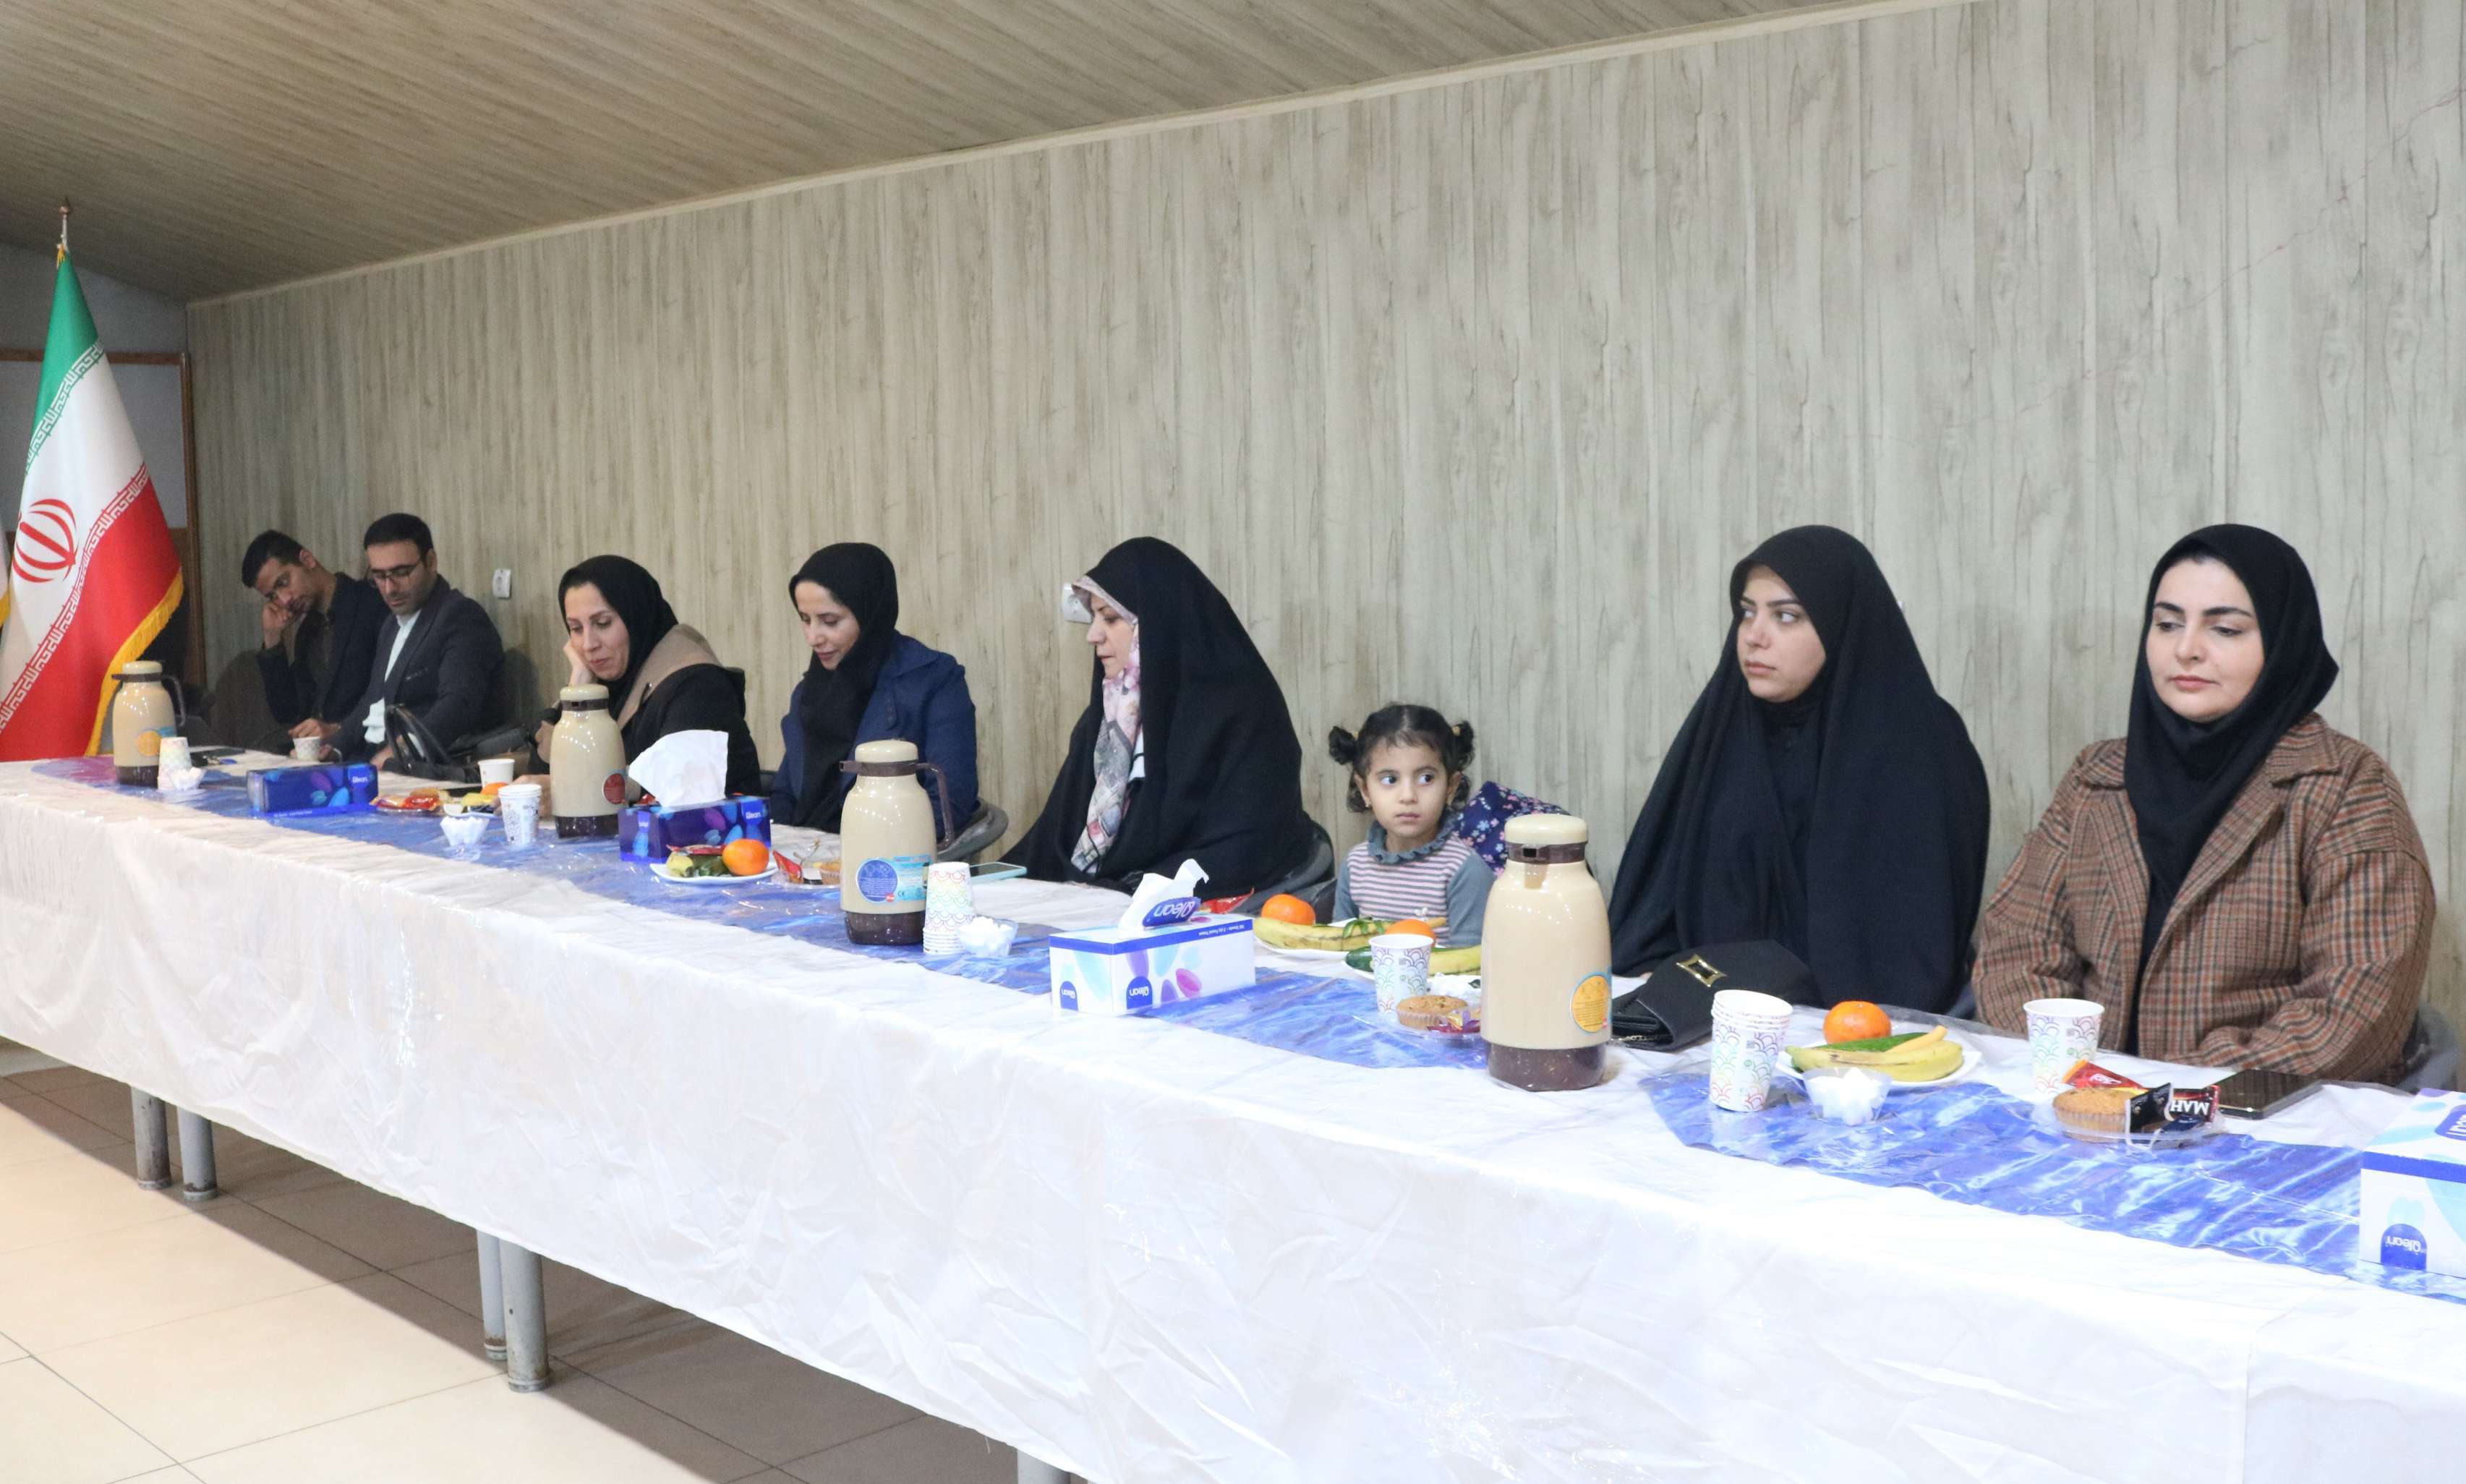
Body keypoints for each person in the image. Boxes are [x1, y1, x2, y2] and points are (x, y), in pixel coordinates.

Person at [1975, 526, 2433, 1080]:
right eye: (2167, 623)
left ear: (2283, 642)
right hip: (2082, 1108)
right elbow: (2017, 946)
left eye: (2225, 628)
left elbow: (2355, 1008)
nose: (2186, 648)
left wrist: (2169, 1093)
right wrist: (2077, 1075)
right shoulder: (2098, 779)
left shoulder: (2343, 786)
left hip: (2259, 1123)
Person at [1608, 526, 1990, 1010]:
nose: (1755, 637)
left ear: (1840, 625)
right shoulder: (1723, 733)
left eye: (1787, 616)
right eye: (1747, 613)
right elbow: (1648, 919)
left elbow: (1915, 946)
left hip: (1863, 1037)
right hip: (1712, 1024)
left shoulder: (1920, 744)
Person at [1015, 537, 1315, 898]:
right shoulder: (1111, 714)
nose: (1093, 636)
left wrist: (1137, 889)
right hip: (1105, 899)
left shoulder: (1244, 709)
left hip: (1197, 909)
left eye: (1110, 619)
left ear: (1157, 623)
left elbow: (1249, 844)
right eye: (1094, 618)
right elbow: (1055, 834)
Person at [767, 543, 978, 832]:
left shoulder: (933, 680)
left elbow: (948, 805)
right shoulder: (810, 691)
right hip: (803, 863)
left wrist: (862, 850)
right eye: (805, 620)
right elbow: (786, 796)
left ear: (869, 614)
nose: (813, 637)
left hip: (887, 860)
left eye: (830, 621)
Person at [524, 555, 760, 797]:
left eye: (603, 623)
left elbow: (680, 786)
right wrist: (578, 696)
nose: (588, 644)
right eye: (575, 629)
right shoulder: (601, 682)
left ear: (637, 616)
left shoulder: (697, 684)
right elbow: (542, 778)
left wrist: (575, 791)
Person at [341, 513, 504, 767]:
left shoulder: (460, 616)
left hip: (422, 767)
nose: (389, 589)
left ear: (431, 562)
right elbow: (373, 699)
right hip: (371, 761)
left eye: (401, 572)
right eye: (379, 576)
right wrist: (334, 747)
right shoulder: (391, 624)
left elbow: (458, 705)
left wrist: (399, 753)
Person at [1327, 704, 1491, 946]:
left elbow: (1470, 965)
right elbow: (1338, 947)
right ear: (1365, 790)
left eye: (1426, 778)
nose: (1408, 796)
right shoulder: (1355, 865)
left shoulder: (1464, 871)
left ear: (1451, 787)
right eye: (1389, 780)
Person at [239, 529, 386, 751]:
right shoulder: (308, 632)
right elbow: (287, 712)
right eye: (272, 596)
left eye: (283, 582)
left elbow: (390, 695)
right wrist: (272, 638)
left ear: (307, 560)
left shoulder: (370, 603)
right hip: (320, 757)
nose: (284, 600)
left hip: (366, 752)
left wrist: (338, 729)